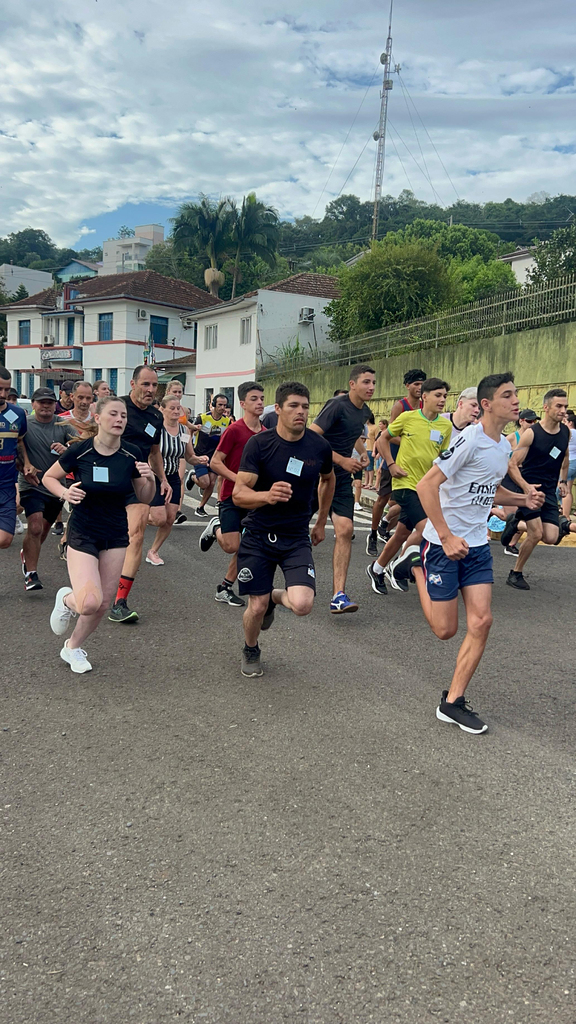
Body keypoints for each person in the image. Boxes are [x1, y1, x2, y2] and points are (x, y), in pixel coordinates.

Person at [401, 372, 544, 734]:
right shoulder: (469, 440)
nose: (516, 400)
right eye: (508, 395)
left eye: (516, 394)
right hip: (442, 546)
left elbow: (487, 491)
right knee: (445, 630)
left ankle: (453, 701)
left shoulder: (501, 447)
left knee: (482, 622)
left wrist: (521, 498)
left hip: (477, 547)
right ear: (486, 404)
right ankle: (414, 564)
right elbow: (426, 486)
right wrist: (445, 536)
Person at [43, 396, 155, 673]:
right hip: (83, 531)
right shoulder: (80, 451)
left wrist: (149, 478)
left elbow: (144, 497)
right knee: (88, 603)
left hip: (116, 533)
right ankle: (67, 599)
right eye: (114, 414)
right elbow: (48, 477)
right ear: (98, 418)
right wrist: (65, 493)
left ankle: (73, 647)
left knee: (103, 603)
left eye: (124, 416)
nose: (120, 420)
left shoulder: (131, 454)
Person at [233, 381, 335, 677]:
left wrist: (320, 520)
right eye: (293, 406)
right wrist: (266, 496)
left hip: (295, 537)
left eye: (305, 406)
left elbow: (328, 479)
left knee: (303, 604)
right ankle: (251, 647)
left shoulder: (319, 446)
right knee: (255, 606)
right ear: (277, 409)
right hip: (258, 535)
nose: (300, 412)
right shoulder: (260, 445)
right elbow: (239, 493)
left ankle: (276, 597)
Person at [366, 378, 452, 595]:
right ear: (424, 397)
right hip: (405, 484)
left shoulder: (445, 425)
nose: (442, 400)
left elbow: (442, 457)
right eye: (437, 395)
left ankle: (376, 569)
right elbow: (382, 439)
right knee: (428, 531)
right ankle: (401, 568)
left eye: (444, 396)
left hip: (427, 488)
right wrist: (392, 464)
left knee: (401, 535)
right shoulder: (407, 417)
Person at [108, 365, 171, 623]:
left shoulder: (156, 418)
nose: (150, 390)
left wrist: (163, 479)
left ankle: (119, 601)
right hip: (109, 480)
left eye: (154, 385)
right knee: (102, 534)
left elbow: (154, 452)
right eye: (145, 384)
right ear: (133, 384)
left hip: (139, 482)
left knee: (136, 535)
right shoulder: (117, 407)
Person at [309, 365, 375, 613]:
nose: (371, 387)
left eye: (374, 383)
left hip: (341, 478)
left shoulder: (364, 411)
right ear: (352, 384)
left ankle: (339, 595)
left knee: (345, 530)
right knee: (286, 528)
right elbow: (313, 435)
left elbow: (353, 434)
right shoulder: (336, 405)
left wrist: (362, 453)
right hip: (315, 473)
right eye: (366, 382)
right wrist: (340, 459)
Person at [199, 381, 265, 607]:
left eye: (262, 399)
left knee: (248, 544)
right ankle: (215, 526)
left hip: (254, 499)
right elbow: (216, 462)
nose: (259, 403)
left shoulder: (266, 433)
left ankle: (224, 588)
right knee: (231, 546)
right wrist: (239, 479)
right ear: (243, 403)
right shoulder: (234, 430)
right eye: (254, 399)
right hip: (231, 495)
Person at [503, 388, 570, 591]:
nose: (563, 410)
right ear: (546, 407)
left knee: (551, 536)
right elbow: (512, 464)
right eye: (559, 406)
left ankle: (515, 522)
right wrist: (526, 488)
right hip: (530, 490)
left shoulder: (565, 432)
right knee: (536, 533)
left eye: (565, 406)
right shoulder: (532, 434)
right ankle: (515, 573)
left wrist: (563, 482)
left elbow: (565, 457)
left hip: (549, 491)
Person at [18, 388, 78, 589]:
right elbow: (15, 446)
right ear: (33, 404)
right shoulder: (24, 424)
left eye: (50, 403)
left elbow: (81, 445)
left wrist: (67, 448)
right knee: (34, 526)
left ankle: (27, 554)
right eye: (41, 402)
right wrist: (22, 466)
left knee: (42, 531)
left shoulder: (63, 424)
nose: (46, 406)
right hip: (31, 484)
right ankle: (31, 575)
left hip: (55, 487)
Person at [145, 395, 208, 565]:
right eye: (171, 408)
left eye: (178, 408)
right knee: (159, 518)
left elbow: (189, 456)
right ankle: (134, 518)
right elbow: (149, 453)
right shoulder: (156, 429)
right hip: (156, 477)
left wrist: (199, 459)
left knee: (170, 518)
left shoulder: (183, 431)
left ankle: (153, 551)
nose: (175, 411)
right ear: (163, 409)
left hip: (172, 477)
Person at [187, 394, 231, 517]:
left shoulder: (226, 421)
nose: (223, 407)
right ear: (213, 405)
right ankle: (193, 478)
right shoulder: (203, 418)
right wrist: (189, 446)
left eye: (225, 405)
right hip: (200, 454)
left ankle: (200, 507)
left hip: (215, 456)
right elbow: (191, 430)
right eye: (220, 405)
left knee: (212, 483)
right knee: (205, 483)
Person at [0, 367, 27, 551]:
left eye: (7, 390)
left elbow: (20, 442)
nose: (3, 394)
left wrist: (27, 464)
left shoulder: (16, 414)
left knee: (5, 539)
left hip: (6, 485)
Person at [163, 379, 194, 524]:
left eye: (179, 392)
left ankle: (177, 510)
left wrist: (195, 428)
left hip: (179, 446)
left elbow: (187, 425)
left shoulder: (184, 410)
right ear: (168, 392)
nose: (177, 394)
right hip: (164, 449)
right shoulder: (161, 409)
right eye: (174, 391)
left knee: (179, 477)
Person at [561, 411, 576, 519]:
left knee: (561, 487)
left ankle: (564, 513)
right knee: (569, 489)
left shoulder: (568, 432)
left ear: (570, 422)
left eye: (566, 421)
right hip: (574, 461)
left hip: (567, 462)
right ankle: (566, 514)